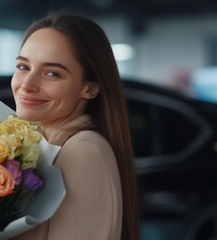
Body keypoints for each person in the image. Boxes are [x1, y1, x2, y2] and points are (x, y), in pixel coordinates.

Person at [10, 12, 139, 240]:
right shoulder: (40, 145)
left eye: (52, 73)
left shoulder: (82, 150)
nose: (27, 84)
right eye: (23, 67)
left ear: (90, 88)